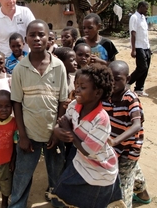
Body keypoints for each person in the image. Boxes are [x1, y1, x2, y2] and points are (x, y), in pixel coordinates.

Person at [9, 20, 67, 207]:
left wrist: (57, 130)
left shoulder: (59, 67)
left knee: (57, 173)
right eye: (32, 35)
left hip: (53, 134)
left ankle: (59, 203)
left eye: (41, 34)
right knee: (22, 174)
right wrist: (23, 136)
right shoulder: (20, 69)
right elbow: (16, 103)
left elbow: (62, 102)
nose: (37, 38)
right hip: (30, 134)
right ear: (26, 39)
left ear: (49, 38)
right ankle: (17, 204)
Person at [50, 64, 124, 208]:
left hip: (100, 170)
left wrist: (69, 132)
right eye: (76, 85)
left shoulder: (101, 120)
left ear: (97, 93)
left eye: (82, 87)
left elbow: (88, 150)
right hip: (82, 163)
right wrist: (57, 130)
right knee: (65, 191)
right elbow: (62, 122)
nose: (76, 89)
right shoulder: (74, 106)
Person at [103, 60, 151, 208]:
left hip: (129, 149)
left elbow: (136, 125)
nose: (113, 82)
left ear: (128, 79)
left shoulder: (130, 98)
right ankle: (143, 195)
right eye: (110, 78)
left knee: (122, 188)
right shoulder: (105, 95)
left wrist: (116, 140)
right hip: (113, 149)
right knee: (131, 171)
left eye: (118, 79)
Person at [128, 1, 151, 97]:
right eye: (146, 8)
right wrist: (133, 49)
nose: (147, 10)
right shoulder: (134, 17)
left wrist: (149, 48)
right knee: (142, 67)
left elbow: (145, 34)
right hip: (138, 46)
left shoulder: (143, 18)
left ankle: (139, 89)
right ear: (141, 7)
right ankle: (127, 82)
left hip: (146, 47)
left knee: (146, 69)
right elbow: (133, 34)